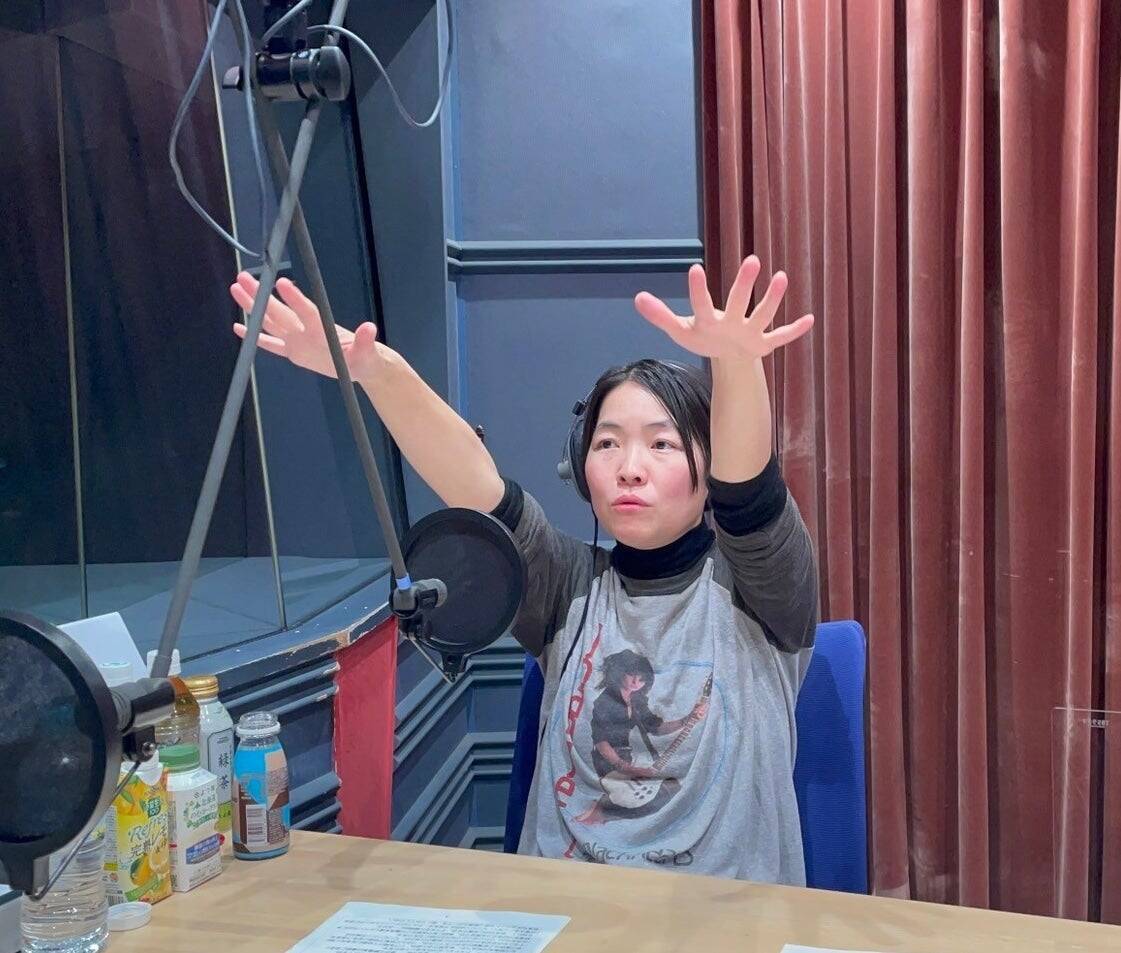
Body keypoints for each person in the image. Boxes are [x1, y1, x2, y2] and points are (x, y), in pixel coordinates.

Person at [228, 255, 819, 883]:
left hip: (720, 920)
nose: (629, 468)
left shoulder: (762, 589)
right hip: (561, 909)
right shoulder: (567, 585)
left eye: (662, 443)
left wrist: (735, 364)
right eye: (608, 443)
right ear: (580, 469)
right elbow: (476, 487)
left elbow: (747, 494)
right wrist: (378, 371)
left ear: (711, 468)